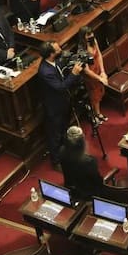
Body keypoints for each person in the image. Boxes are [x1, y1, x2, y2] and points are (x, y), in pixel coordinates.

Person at [38, 41, 83, 169]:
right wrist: (74, 74)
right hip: (54, 108)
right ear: (51, 54)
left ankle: (66, 153)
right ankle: (56, 161)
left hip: (64, 103)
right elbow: (61, 87)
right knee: (55, 135)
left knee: (64, 130)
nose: (61, 50)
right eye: (58, 50)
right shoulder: (45, 71)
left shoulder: (55, 62)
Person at [60, 126, 102, 203]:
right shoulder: (89, 161)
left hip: (70, 190)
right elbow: (98, 181)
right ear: (82, 142)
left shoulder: (61, 151)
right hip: (87, 195)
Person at [79, 27, 109, 123]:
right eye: (88, 35)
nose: (91, 36)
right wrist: (99, 78)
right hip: (90, 76)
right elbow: (86, 71)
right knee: (94, 96)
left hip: (97, 69)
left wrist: (103, 71)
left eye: (91, 33)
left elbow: (99, 55)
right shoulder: (81, 50)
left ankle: (98, 113)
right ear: (83, 37)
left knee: (99, 93)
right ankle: (94, 115)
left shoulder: (94, 41)